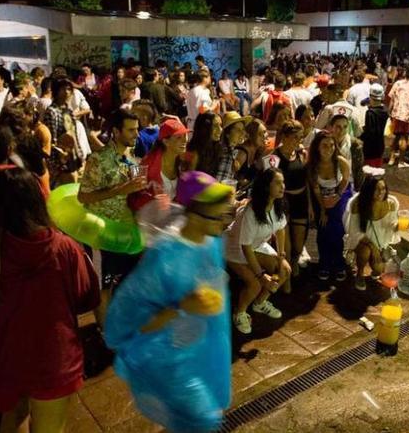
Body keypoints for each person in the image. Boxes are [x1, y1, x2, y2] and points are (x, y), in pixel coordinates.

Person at [0, 168, 100, 433]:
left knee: (11, 422)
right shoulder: (64, 248)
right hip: (55, 360)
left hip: (1, 363)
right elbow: (86, 297)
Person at [104, 171, 234, 433]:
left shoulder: (210, 240)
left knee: (187, 418)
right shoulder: (165, 255)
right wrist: (182, 306)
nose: (224, 223)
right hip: (169, 357)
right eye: (218, 216)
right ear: (195, 215)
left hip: (201, 349)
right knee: (202, 420)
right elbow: (131, 318)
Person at [78, 109, 146, 324]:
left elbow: (132, 194)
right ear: (116, 132)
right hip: (102, 232)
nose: (136, 134)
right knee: (103, 286)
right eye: (131, 130)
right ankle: (105, 335)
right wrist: (120, 189)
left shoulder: (132, 159)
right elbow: (83, 196)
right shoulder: (98, 160)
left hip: (126, 230)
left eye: (137, 129)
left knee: (128, 279)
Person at [226, 168, 292, 334]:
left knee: (285, 270)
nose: (282, 186)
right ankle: (239, 313)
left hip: (256, 245)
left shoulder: (278, 205)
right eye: (277, 182)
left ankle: (260, 303)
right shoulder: (251, 212)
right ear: (266, 186)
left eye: (283, 182)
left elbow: (280, 229)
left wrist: (281, 255)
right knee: (255, 284)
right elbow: (245, 247)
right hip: (234, 248)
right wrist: (261, 275)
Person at [343, 173, 400, 291]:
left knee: (378, 270)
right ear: (369, 190)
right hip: (362, 240)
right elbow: (354, 231)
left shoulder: (391, 203)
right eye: (376, 189)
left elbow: (391, 224)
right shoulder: (358, 203)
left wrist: (397, 226)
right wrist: (373, 248)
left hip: (379, 241)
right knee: (365, 251)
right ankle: (359, 274)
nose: (381, 192)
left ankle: (376, 264)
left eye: (383, 188)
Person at [307, 131, 352, 282]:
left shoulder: (341, 162)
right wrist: (323, 210)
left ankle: (339, 262)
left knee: (337, 230)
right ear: (317, 147)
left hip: (340, 194)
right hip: (321, 198)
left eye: (332, 145)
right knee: (323, 228)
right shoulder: (313, 166)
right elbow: (316, 190)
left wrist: (337, 196)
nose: (329, 149)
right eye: (324, 145)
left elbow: (345, 181)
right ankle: (324, 263)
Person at [273, 121, 309, 289]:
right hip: (283, 201)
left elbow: (307, 180)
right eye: (295, 137)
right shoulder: (274, 157)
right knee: (285, 246)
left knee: (298, 246)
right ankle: (286, 283)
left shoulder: (302, 155)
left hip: (301, 200)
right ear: (285, 137)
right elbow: (268, 182)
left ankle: (293, 264)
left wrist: (309, 205)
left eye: (300, 138)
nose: (298, 141)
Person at [136, 118, 188, 207]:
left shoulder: (184, 163)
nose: (184, 141)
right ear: (166, 141)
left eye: (185, 136)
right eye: (179, 137)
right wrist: (153, 200)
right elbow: (136, 197)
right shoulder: (146, 165)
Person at [42, 79, 84, 185]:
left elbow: (73, 135)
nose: (66, 92)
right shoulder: (51, 112)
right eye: (63, 89)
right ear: (56, 91)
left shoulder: (68, 111)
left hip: (72, 156)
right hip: (60, 160)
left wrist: (80, 155)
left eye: (69, 89)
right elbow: (51, 139)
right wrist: (58, 160)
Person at [387, 68, 409, 166]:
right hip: (408, 115)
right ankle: (401, 161)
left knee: (396, 137)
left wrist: (389, 112)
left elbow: (392, 99)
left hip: (396, 114)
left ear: (406, 73)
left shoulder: (398, 83)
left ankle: (391, 159)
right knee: (404, 138)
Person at [213, 111, 251, 185]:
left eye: (243, 129)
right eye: (238, 130)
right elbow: (220, 183)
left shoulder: (230, 151)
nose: (243, 133)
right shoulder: (226, 154)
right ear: (227, 133)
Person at [234, 119, 268, 193]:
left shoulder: (259, 150)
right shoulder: (242, 153)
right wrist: (258, 165)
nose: (264, 136)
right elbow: (238, 182)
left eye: (265, 132)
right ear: (251, 136)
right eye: (260, 134)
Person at [361, 83, 390, 168]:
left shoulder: (370, 113)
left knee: (369, 170)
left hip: (370, 147)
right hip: (380, 144)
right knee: (377, 168)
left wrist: (360, 136)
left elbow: (370, 132)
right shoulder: (385, 110)